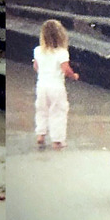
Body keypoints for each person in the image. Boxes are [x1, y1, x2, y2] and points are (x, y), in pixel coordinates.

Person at [33, 19, 79, 150]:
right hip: (56, 87)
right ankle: (57, 141)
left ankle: (40, 135)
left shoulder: (37, 50)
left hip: (41, 85)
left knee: (41, 110)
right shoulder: (62, 52)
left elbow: (36, 66)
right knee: (58, 112)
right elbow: (65, 69)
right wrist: (73, 75)